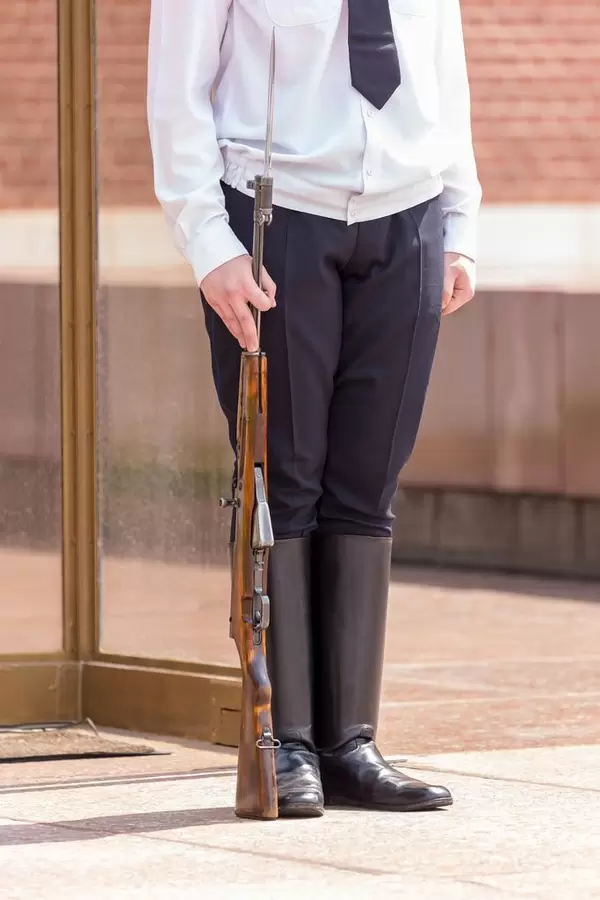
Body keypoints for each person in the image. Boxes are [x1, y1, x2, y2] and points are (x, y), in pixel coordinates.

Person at [147, 0, 481, 817]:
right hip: (273, 218)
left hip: (407, 215)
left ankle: (350, 743)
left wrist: (461, 218)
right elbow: (176, 90)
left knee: (368, 486)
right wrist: (207, 242)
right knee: (281, 480)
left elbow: (444, 64)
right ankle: (285, 741)